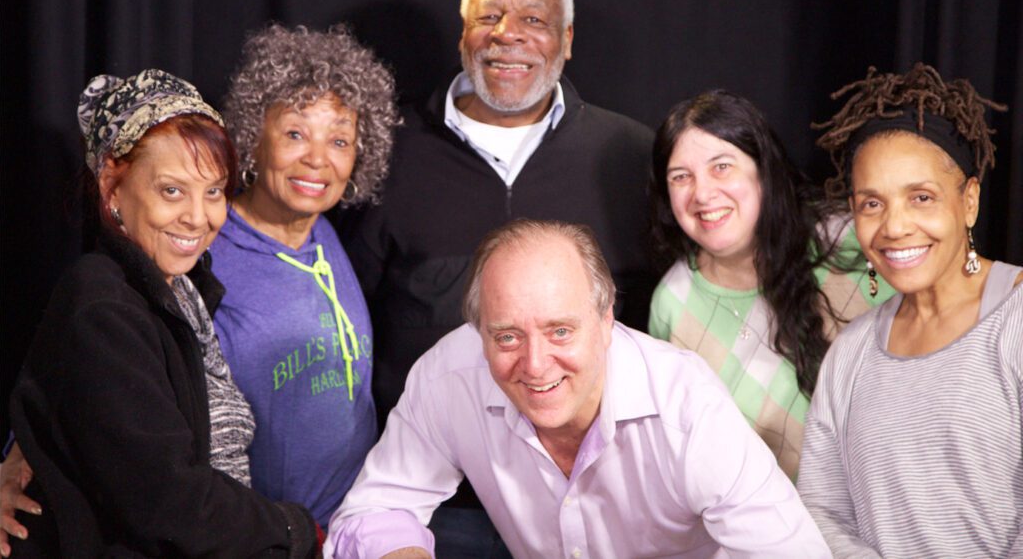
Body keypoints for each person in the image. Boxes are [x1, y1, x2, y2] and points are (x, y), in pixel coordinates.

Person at [340, 0, 654, 551]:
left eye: (533, 20)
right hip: (438, 506)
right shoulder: (385, 154)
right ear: (463, 35)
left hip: (599, 498)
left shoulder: (631, 157)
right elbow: (346, 317)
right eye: (488, 17)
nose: (506, 35)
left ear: (566, 39)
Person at [326, 219, 829, 558]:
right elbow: (375, 509)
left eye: (560, 331)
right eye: (507, 336)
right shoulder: (447, 377)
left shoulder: (687, 407)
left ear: (607, 320)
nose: (536, 364)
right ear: (480, 332)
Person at [5, 70, 318, 556]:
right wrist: (293, 529)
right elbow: (170, 503)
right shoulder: (101, 306)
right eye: (172, 190)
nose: (198, 216)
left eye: (213, 191)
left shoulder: (184, 294)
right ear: (113, 190)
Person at [799, 63, 1022, 556]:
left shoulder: (1016, 323)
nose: (894, 227)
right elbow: (821, 509)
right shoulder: (852, 352)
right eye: (871, 204)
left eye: (921, 197)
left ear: (969, 202)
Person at [211, 23, 400, 527]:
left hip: (353, 525)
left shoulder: (327, 236)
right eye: (295, 133)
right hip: (262, 538)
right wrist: (21, 456)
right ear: (253, 136)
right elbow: (105, 354)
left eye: (339, 140)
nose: (318, 159)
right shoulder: (204, 245)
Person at [647, 90, 893, 478]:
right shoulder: (672, 303)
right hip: (779, 529)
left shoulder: (851, 243)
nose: (703, 193)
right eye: (681, 177)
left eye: (722, 167)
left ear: (764, 171)